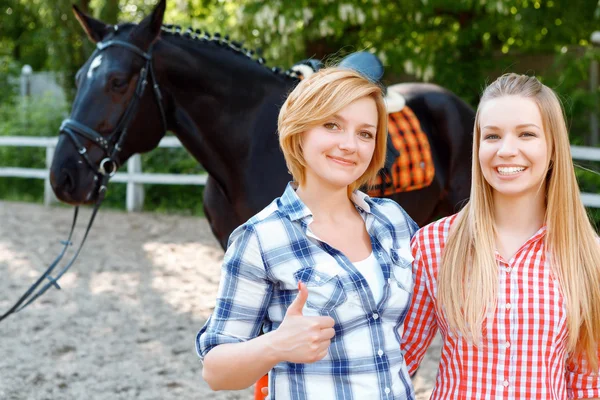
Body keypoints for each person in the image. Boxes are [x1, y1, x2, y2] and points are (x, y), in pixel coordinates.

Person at [196, 67, 419, 399]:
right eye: (332, 125)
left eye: (365, 134)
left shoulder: (393, 221)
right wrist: (275, 344)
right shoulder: (260, 238)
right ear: (299, 132)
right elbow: (215, 371)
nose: (349, 145)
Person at [402, 73, 600, 399]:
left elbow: (587, 384)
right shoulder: (433, 245)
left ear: (553, 149)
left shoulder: (586, 256)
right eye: (492, 137)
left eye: (526, 134)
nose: (507, 150)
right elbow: (396, 364)